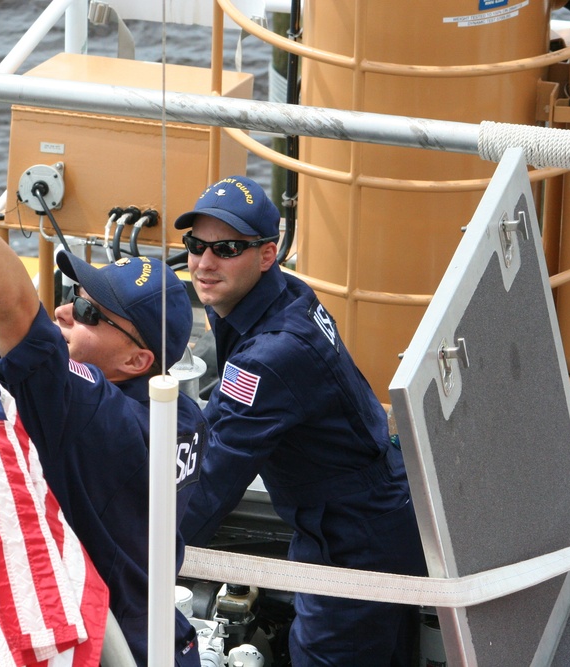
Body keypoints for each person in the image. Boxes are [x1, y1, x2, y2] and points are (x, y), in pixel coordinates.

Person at [0, 119, 206, 666]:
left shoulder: (98, 418)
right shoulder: (182, 414)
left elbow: (17, 311)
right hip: (157, 633)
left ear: (138, 359)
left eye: (90, 312)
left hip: (93, 642)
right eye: (74, 293)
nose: (65, 309)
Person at [174, 175, 428, 666]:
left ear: (267, 254)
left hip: (351, 539)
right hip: (377, 511)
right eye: (195, 245)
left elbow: (215, 480)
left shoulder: (271, 354)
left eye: (226, 248)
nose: (205, 263)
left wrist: (143, 552)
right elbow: (229, 413)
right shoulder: (284, 293)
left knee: (321, 655)